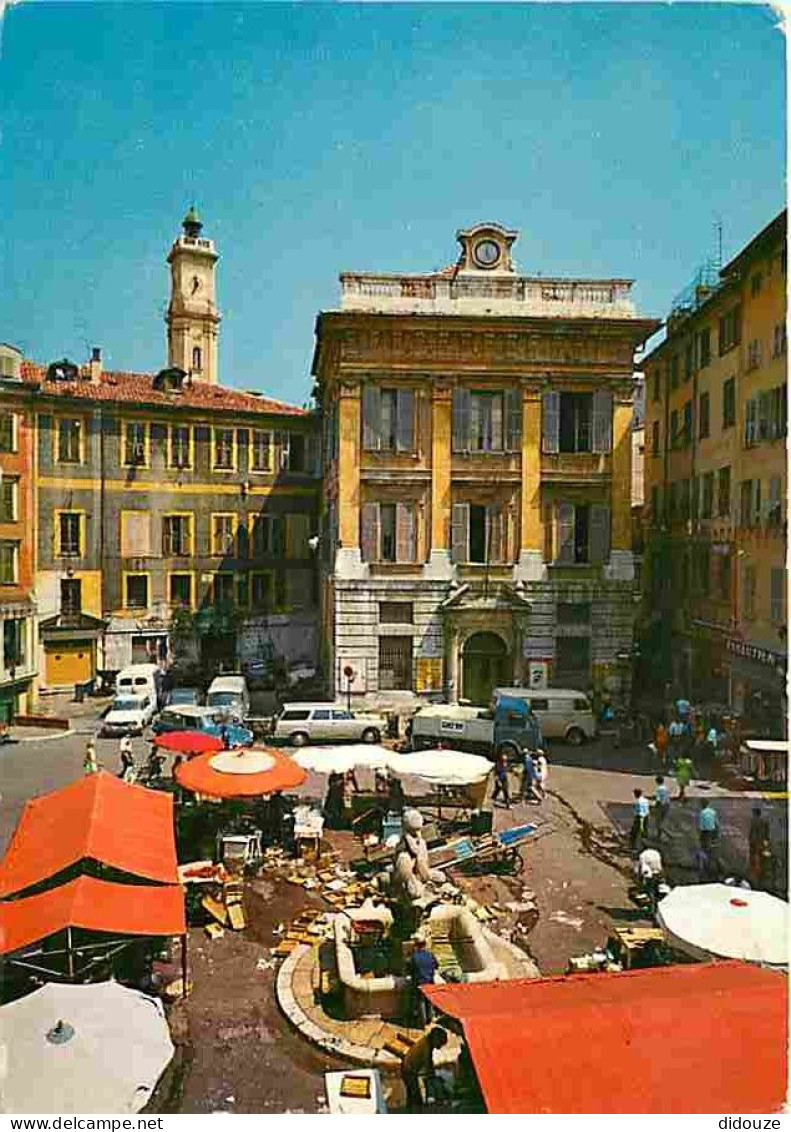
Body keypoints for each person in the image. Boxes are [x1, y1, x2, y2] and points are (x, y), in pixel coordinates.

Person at [401, 1026, 449, 1111]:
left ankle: (410, 1111)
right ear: (435, 1038)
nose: (440, 1046)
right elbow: (428, 1064)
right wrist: (434, 1079)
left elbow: (429, 1063)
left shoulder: (427, 1042)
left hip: (407, 1068)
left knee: (412, 1096)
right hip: (408, 1070)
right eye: (440, 1043)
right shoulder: (426, 1046)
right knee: (416, 1097)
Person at [409, 933, 440, 1028]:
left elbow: (410, 970)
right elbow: (437, 966)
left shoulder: (414, 957)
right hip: (430, 981)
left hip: (419, 982)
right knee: (429, 1001)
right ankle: (430, 1020)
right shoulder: (430, 955)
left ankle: (422, 1023)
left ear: (416, 945)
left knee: (421, 1002)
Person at [749, 806, 771, 888]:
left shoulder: (754, 821)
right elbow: (767, 832)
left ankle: (757, 873)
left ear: (755, 813)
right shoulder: (764, 821)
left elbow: (752, 832)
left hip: (754, 842)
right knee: (761, 856)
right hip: (761, 841)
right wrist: (766, 840)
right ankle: (762, 871)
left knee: (755, 856)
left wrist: (750, 840)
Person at [653, 775, 670, 839]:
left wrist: (654, 807)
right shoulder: (665, 788)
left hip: (661, 806)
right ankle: (659, 835)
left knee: (658, 822)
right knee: (661, 821)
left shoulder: (659, 789)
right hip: (667, 805)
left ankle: (668, 834)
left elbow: (658, 800)